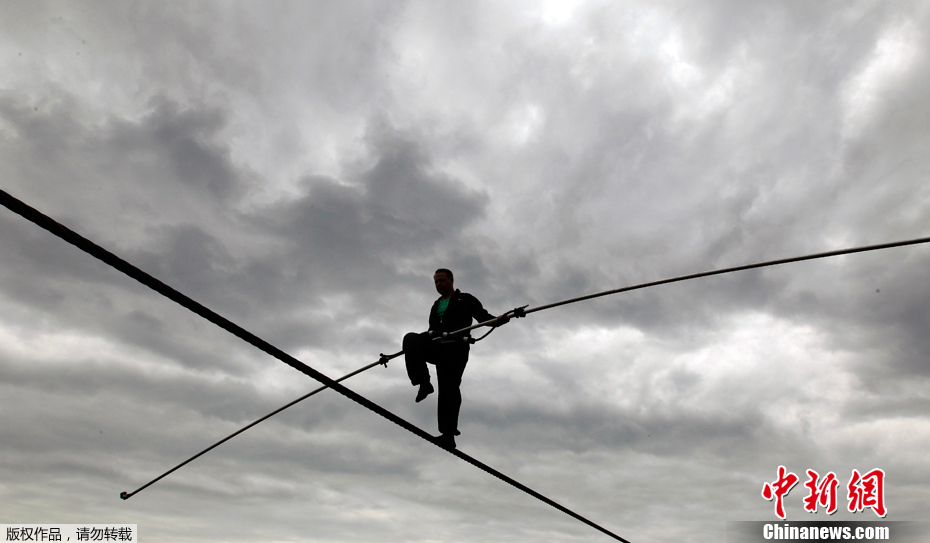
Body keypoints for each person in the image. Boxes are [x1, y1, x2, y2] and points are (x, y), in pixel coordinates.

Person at [403, 268, 509, 449]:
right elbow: (431, 329)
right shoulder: (436, 304)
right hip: (436, 345)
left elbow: (484, 318)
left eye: (442, 280)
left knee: (448, 388)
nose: (439, 285)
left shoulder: (466, 299)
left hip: (455, 349)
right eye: (436, 282)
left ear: (452, 280)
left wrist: (502, 319)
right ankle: (423, 383)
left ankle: (448, 435)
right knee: (410, 339)